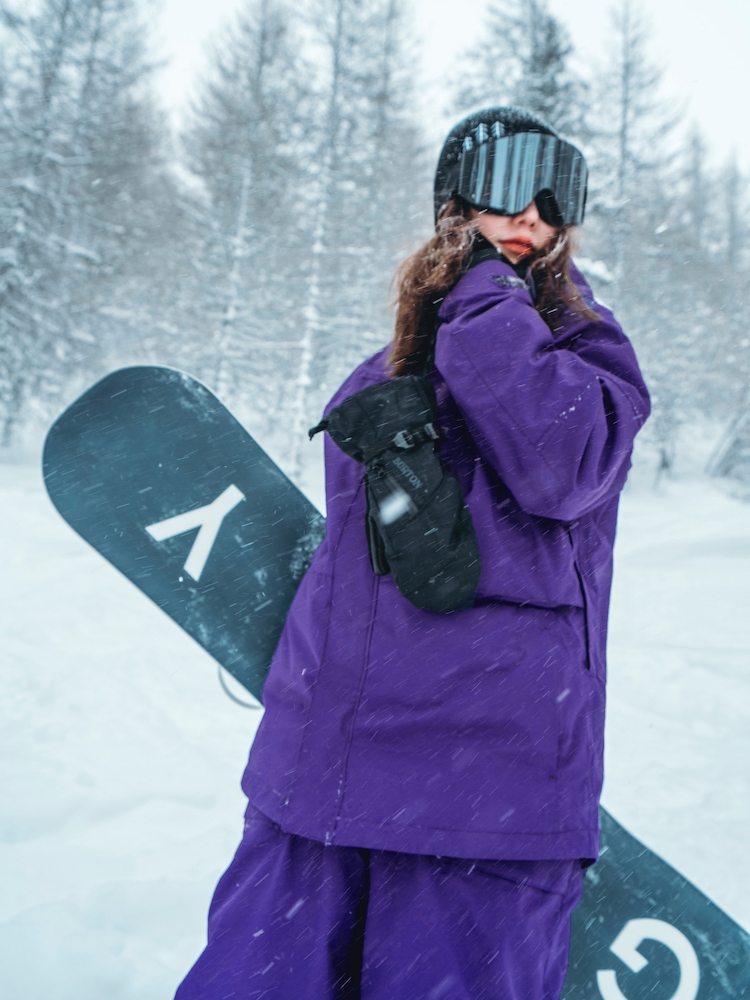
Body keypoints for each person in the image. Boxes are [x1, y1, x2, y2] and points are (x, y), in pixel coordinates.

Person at [175, 107, 650, 1000]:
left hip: (482, 801)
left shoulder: (585, 348)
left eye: (558, 197)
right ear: (450, 205)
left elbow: (562, 464)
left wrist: (484, 299)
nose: (534, 215)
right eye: (509, 185)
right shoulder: (386, 366)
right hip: (320, 788)